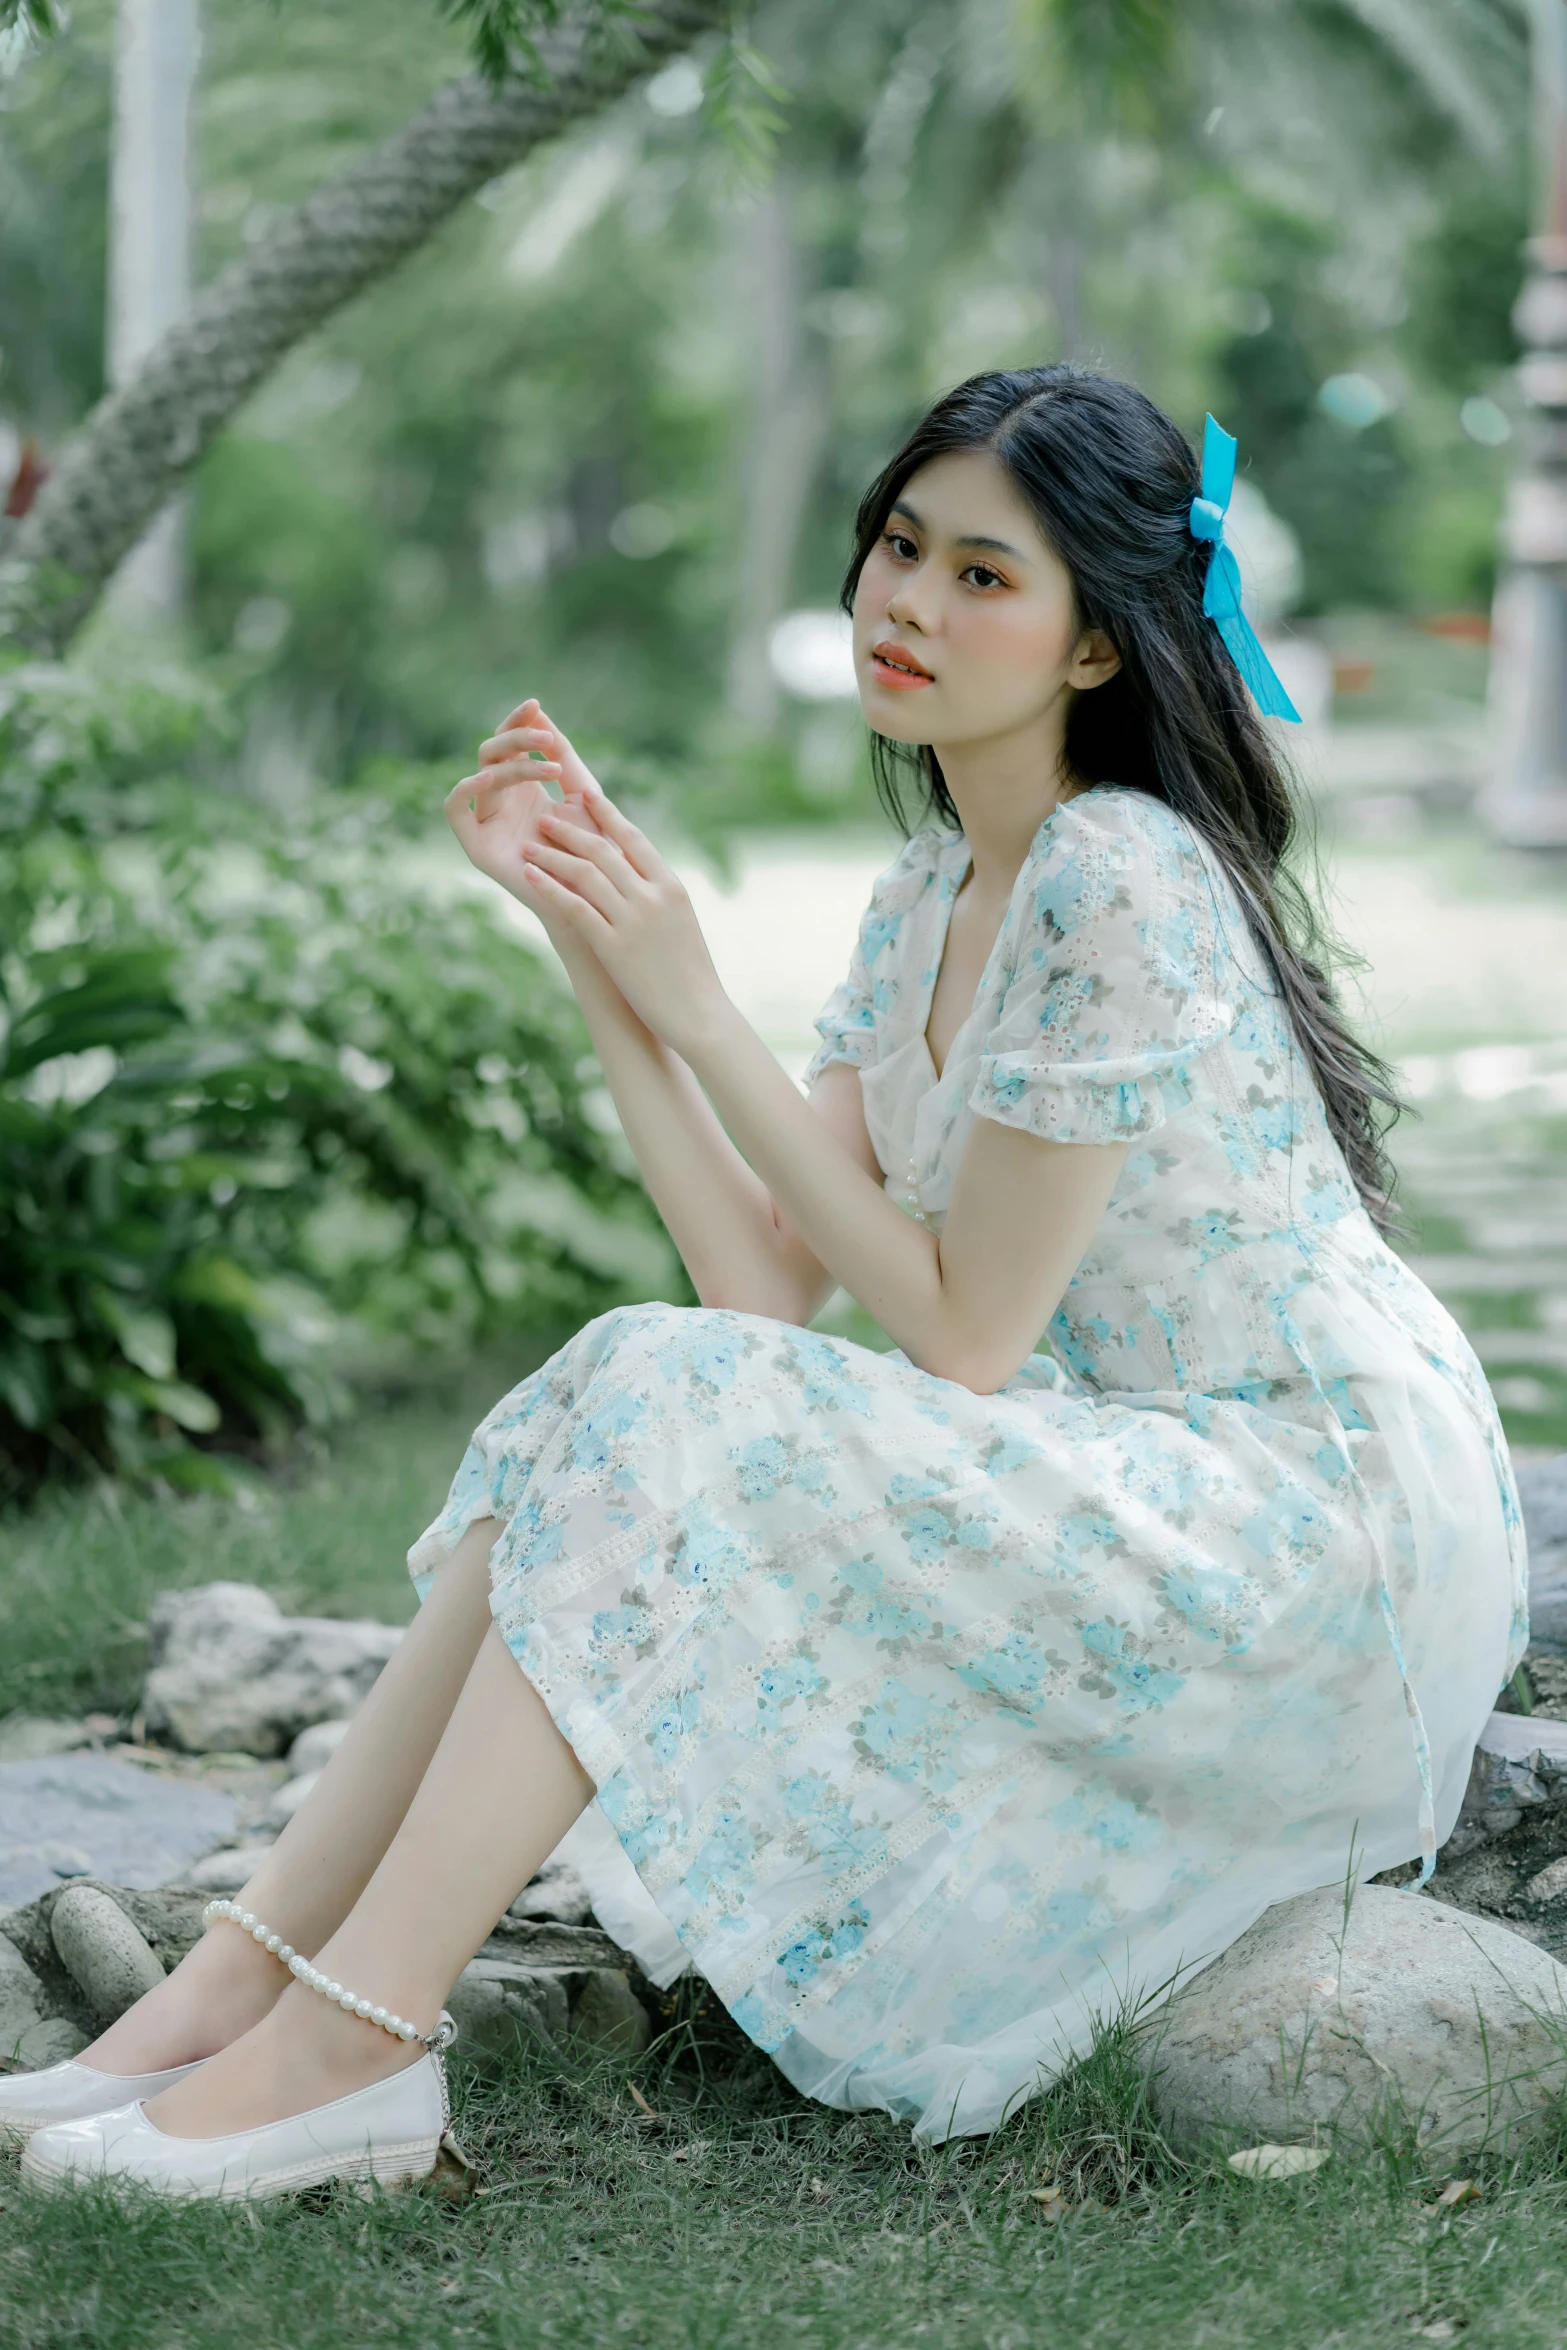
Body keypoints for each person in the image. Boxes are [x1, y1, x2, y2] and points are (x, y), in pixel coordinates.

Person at [4, 365, 1525, 2199]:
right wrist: (598, 943)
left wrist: (697, 995)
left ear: (1095, 650)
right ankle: (229, 2000)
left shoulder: (1120, 877)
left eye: (983, 576)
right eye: (900, 545)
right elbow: (757, 1286)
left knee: (650, 1382)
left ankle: (353, 2042)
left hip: (1316, 1527)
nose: (905, 602)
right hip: (1147, 1469)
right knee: (621, 1377)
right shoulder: (929, 889)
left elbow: (960, 1335)